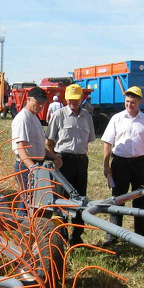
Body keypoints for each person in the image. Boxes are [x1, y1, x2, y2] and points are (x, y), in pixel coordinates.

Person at [101, 86, 144, 245]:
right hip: (120, 163)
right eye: (127, 101)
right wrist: (107, 166)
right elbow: (107, 142)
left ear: (140, 102)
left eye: (133, 102)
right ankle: (112, 236)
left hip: (139, 163)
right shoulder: (116, 118)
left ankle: (139, 237)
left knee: (139, 199)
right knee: (118, 199)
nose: (129, 105)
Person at [46, 83, 95, 245]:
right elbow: (49, 141)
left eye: (76, 99)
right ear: (65, 99)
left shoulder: (87, 116)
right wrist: (55, 157)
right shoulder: (58, 115)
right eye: (70, 99)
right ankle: (60, 237)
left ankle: (77, 237)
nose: (73, 102)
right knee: (61, 199)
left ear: (82, 98)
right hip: (63, 162)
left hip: (81, 162)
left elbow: (89, 139)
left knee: (80, 200)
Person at [11, 86, 61, 192]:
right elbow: (21, 149)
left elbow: (38, 147)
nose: (41, 106)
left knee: (35, 202)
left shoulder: (34, 117)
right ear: (28, 99)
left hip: (35, 165)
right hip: (26, 166)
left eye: (43, 103)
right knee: (27, 201)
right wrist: (33, 169)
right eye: (38, 102)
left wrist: (54, 156)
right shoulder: (23, 119)